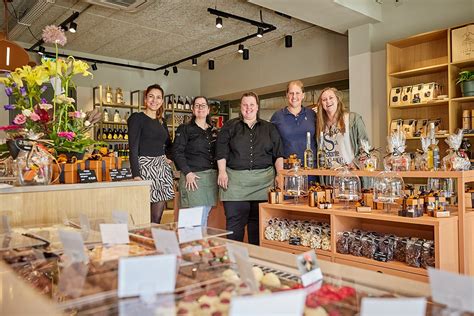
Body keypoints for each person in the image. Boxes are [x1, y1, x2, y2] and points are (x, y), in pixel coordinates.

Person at [216, 92, 284, 245]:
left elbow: (279, 155)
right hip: (235, 185)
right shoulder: (229, 126)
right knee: (235, 228)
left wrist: (279, 175)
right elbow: (221, 151)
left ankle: (256, 265)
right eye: (245, 105)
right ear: (240, 107)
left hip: (264, 185)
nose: (248, 108)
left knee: (259, 228)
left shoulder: (270, 128)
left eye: (251, 105)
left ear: (257, 107)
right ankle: (234, 264)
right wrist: (221, 171)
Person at [127, 84, 174, 224]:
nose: (155, 100)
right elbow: (133, 147)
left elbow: (169, 145)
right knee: (143, 215)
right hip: (145, 167)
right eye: (151, 96)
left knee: (157, 217)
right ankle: (143, 242)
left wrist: (169, 157)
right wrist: (136, 174)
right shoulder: (137, 118)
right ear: (145, 100)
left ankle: (153, 242)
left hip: (161, 169)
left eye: (158, 97)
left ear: (162, 101)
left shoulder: (162, 121)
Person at [172, 96, 218, 226]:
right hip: (193, 178)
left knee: (203, 218)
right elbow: (177, 152)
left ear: (208, 110)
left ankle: (199, 245)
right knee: (191, 221)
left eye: (203, 105)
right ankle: (190, 245)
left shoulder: (213, 131)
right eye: (197, 105)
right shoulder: (185, 129)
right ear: (192, 109)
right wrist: (187, 173)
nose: (200, 108)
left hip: (210, 179)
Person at [315, 87, 368, 169]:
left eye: (331, 98)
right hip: (329, 176)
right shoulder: (320, 125)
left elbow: (365, 148)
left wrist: (355, 163)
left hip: (350, 175)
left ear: (337, 99)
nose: (328, 101)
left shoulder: (353, 119)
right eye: (324, 100)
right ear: (321, 104)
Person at [271, 80, 316, 169]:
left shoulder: (312, 115)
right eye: (291, 93)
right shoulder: (277, 116)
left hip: (311, 169)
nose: (294, 96)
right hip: (287, 168)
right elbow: (272, 145)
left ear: (303, 95)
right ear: (287, 95)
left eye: (297, 93)